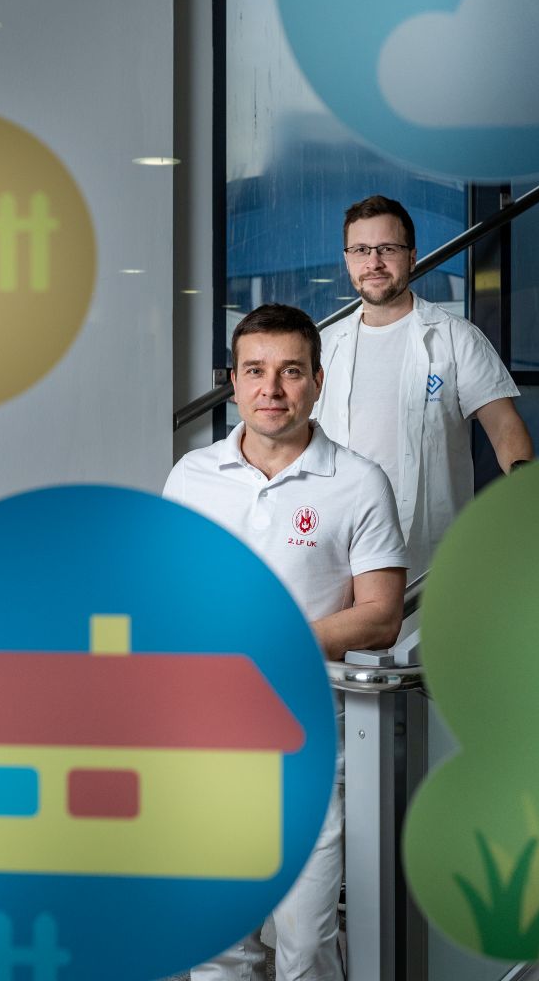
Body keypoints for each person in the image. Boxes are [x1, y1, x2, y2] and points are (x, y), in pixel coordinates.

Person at [163, 302, 407, 981]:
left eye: (291, 371)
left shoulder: (358, 482)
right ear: (233, 382)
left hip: (309, 749)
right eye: (255, 371)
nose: (271, 388)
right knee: (219, 948)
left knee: (306, 947)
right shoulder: (191, 477)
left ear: (317, 381)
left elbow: (381, 615)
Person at [316, 194, 534, 581]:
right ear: (347, 259)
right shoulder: (324, 345)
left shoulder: (455, 337)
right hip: (339, 543)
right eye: (361, 250)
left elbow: (503, 426)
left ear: (412, 257)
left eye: (387, 249)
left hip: (430, 549)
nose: (373, 262)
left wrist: (524, 486)